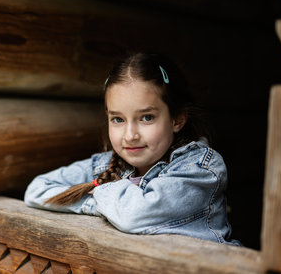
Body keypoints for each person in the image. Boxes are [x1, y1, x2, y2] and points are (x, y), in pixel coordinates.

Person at [24, 52, 240, 245]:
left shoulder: (199, 169)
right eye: (118, 119)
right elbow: (37, 189)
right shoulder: (104, 166)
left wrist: (99, 193)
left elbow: (133, 213)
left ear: (177, 119)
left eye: (146, 117)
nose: (130, 135)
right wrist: (98, 204)